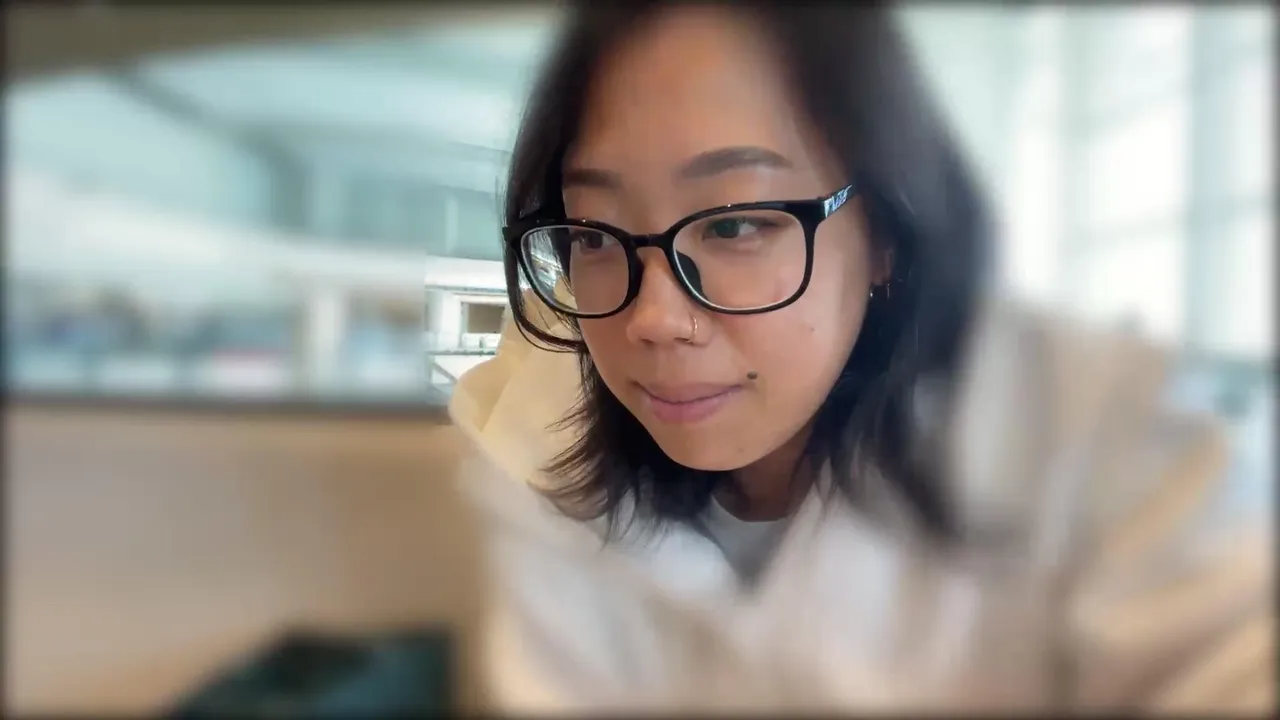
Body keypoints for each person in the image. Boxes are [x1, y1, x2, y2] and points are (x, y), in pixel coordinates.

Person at [448, 2, 1273, 714]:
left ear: (884, 232)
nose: (653, 319)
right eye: (594, 234)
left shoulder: (1093, 442)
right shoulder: (532, 456)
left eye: (735, 223)